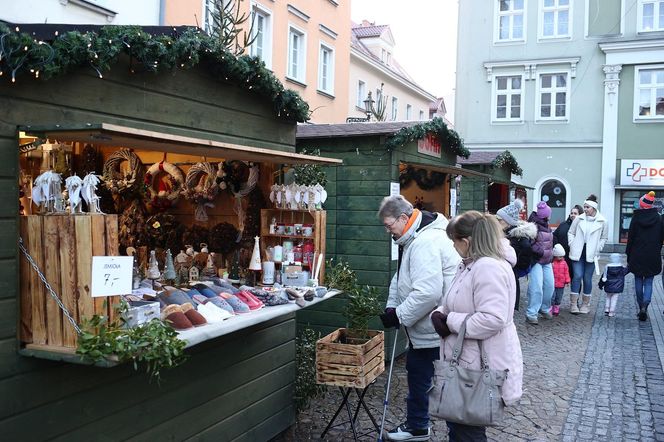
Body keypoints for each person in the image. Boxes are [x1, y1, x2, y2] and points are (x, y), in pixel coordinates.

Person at [430, 211, 523, 442]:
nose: (453, 247)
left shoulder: (487, 267)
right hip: (469, 361)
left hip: (477, 365)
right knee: (462, 428)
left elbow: (493, 318)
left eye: (454, 241)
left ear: (467, 241)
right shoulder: (472, 264)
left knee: (467, 431)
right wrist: (441, 313)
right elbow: (458, 300)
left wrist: (449, 321)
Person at [377, 195, 461, 441]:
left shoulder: (425, 242)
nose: (387, 230)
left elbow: (428, 293)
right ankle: (418, 425)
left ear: (404, 218)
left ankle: (425, 427)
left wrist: (399, 316)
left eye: (389, 224)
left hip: (432, 329)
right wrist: (392, 306)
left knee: (429, 378)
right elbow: (401, 276)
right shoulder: (414, 237)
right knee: (419, 374)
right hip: (426, 328)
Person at [625, 191, 664, 321]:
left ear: (641, 204)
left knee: (638, 280)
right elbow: (661, 238)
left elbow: (630, 238)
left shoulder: (636, 218)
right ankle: (645, 306)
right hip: (652, 254)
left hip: (637, 253)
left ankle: (641, 305)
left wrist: (628, 254)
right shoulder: (658, 218)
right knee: (649, 281)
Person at [568, 194, 609, 314]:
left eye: (587, 207)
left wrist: (599, 248)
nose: (585, 209)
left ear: (594, 208)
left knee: (587, 278)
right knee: (577, 276)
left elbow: (604, 237)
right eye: (584, 207)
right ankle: (573, 304)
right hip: (578, 251)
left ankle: (585, 304)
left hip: (591, 253)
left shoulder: (602, 221)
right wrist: (572, 243)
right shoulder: (579, 219)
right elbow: (571, 232)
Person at [496, 198, 537, 310]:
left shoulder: (518, 237)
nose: (497, 222)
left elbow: (526, 255)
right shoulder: (505, 233)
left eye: (499, 219)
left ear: (507, 221)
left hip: (511, 277)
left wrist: (516, 271)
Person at [525, 201, 555, 324]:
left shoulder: (547, 225)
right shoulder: (532, 226)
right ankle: (531, 313)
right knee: (536, 287)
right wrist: (541, 252)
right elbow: (529, 243)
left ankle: (544, 308)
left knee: (549, 286)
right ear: (545, 215)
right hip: (536, 261)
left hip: (547, 261)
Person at [553, 205, 583, 280]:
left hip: (575, 256)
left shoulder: (582, 226)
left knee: (576, 277)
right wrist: (557, 246)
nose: (572, 215)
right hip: (562, 256)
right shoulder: (563, 224)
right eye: (571, 213)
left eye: (575, 213)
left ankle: (575, 291)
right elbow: (554, 236)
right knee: (560, 277)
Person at [598, 253, 630, 317]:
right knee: (614, 298)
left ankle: (607, 309)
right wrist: (629, 265)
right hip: (618, 286)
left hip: (608, 285)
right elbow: (626, 271)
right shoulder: (621, 267)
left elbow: (603, 276)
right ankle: (611, 312)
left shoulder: (607, 266)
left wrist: (601, 285)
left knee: (608, 297)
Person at [552, 244, 571, 316]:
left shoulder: (564, 263)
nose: (561, 257)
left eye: (562, 256)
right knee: (552, 297)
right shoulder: (552, 263)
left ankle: (556, 308)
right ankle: (551, 308)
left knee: (559, 297)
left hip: (561, 284)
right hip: (553, 283)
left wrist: (567, 281)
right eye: (559, 256)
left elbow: (566, 272)